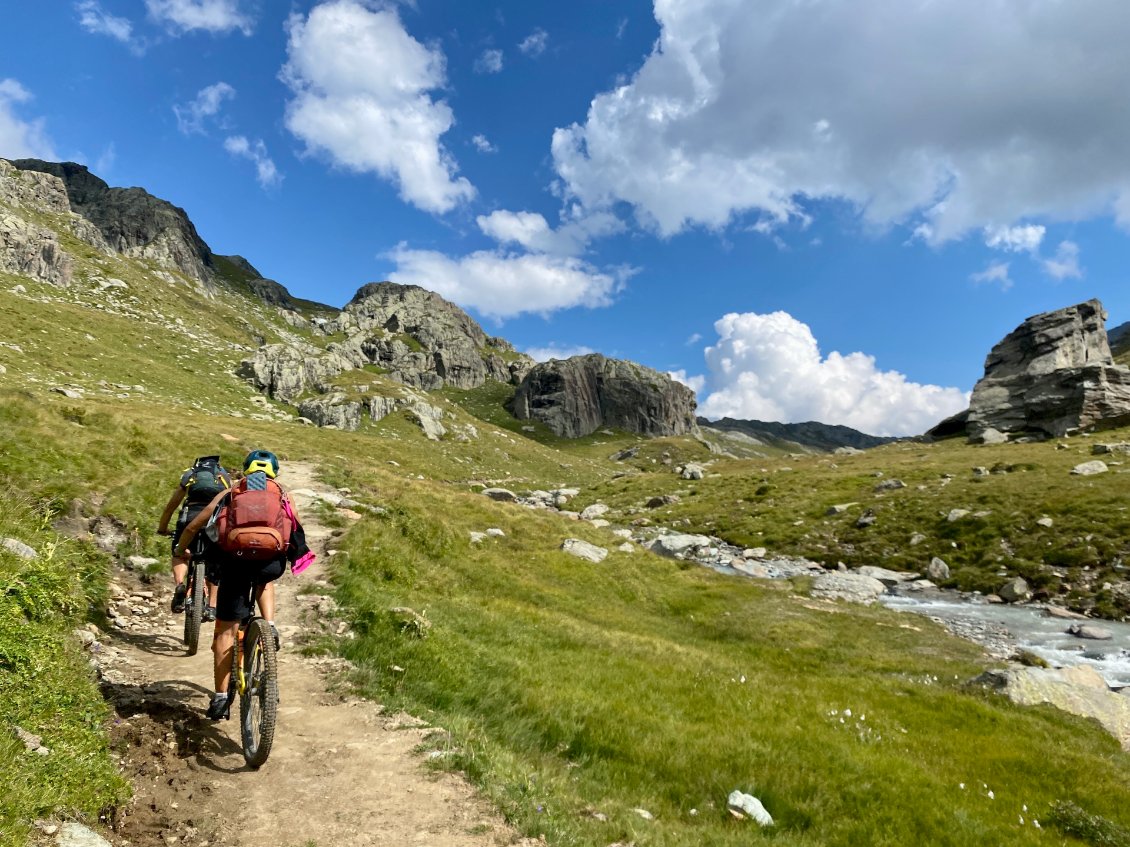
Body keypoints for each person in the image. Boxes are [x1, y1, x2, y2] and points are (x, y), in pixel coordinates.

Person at [174, 449, 312, 720]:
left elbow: (196, 526)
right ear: (275, 472)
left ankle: (221, 698)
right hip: (270, 561)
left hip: (234, 562)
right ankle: (269, 626)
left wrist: (181, 549)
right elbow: (295, 526)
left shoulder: (231, 492)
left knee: (225, 629)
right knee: (264, 579)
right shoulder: (282, 494)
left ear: (246, 469)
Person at [157, 455, 232, 621]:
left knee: (179, 552)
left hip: (190, 517)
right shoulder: (224, 477)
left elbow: (170, 507)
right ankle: (212, 606)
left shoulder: (190, 475)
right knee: (216, 562)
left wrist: (163, 529)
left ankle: (180, 585)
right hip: (215, 520)